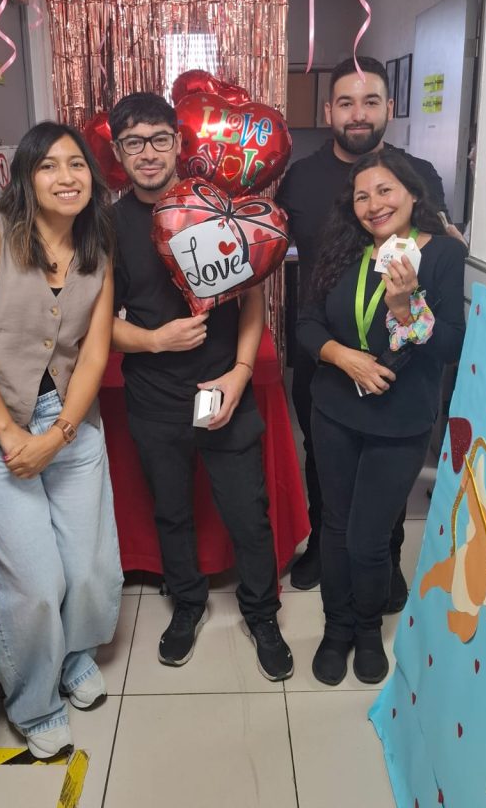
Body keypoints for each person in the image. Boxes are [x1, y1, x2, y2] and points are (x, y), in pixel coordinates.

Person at [0, 122, 123, 759]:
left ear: (92, 177)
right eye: (48, 166)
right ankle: (34, 700)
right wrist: (12, 435)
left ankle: (73, 655)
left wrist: (62, 430)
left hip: (68, 418)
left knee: (90, 568)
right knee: (35, 582)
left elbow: (94, 350)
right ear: (25, 177)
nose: (66, 177)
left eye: (77, 164)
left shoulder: (97, 245)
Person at [109, 91, 293, 682]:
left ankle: (262, 614)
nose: (148, 153)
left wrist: (240, 373)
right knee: (170, 511)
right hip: (154, 397)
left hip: (222, 389)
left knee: (248, 513)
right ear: (119, 153)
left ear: (178, 143)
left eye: (159, 139)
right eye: (134, 143)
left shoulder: (215, 204)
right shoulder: (108, 226)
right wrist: (154, 340)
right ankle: (187, 604)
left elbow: (252, 299)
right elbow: (98, 323)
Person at [277, 55, 449, 594]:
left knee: (386, 472)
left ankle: (383, 554)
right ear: (328, 111)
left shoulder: (417, 175)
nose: (358, 114)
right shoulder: (300, 178)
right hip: (324, 349)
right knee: (322, 456)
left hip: (401, 358)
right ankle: (324, 547)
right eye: (346, 103)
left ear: (389, 107)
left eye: (370, 101)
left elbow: (439, 247)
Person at [297, 148, 465, 685]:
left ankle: (367, 631)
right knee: (335, 527)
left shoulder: (442, 254)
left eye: (385, 190)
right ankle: (336, 629)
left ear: (413, 194)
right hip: (334, 411)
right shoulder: (342, 249)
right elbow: (306, 323)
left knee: (369, 538)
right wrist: (342, 357)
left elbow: (449, 347)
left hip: (400, 421)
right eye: (362, 196)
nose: (373, 205)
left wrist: (405, 307)